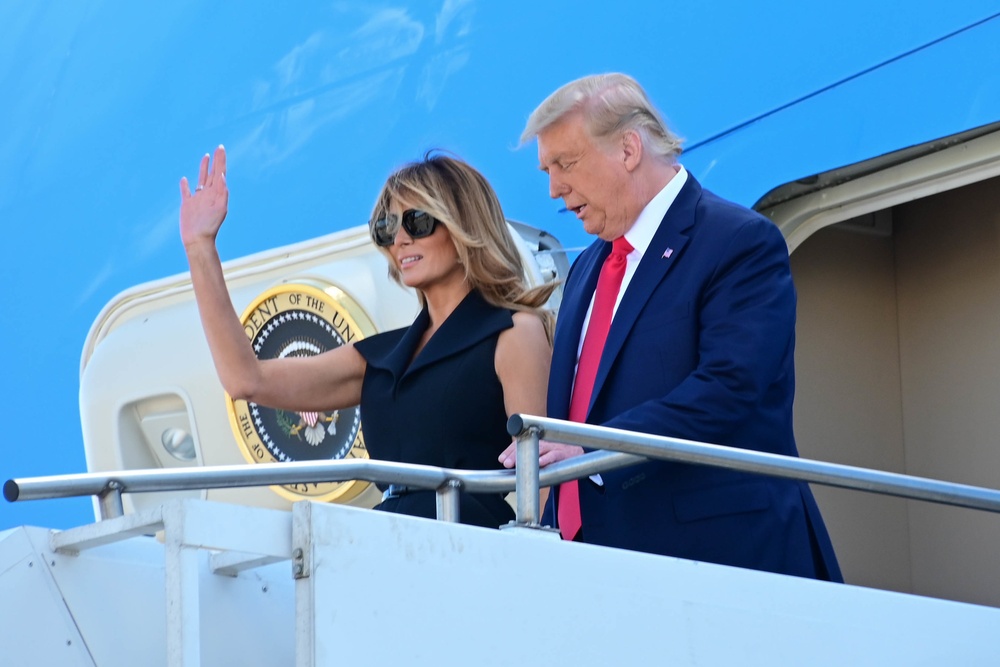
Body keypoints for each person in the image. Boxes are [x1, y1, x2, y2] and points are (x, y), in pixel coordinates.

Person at [500, 73, 842, 580]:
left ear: (629, 148)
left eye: (565, 163)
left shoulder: (739, 241)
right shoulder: (590, 268)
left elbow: (729, 387)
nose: (554, 188)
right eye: (547, 170)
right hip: (594, 565)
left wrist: (591, 449)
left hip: (723, 560)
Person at [180, 146, 554, 528]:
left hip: (473, 543)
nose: (400, 240)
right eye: (387, 228)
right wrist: (200, 249)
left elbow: (542, 478)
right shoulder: (382, 357)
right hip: (384, 541)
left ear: (464, 227)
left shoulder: (513, 333)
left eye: (418, 222)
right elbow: (246, 380)